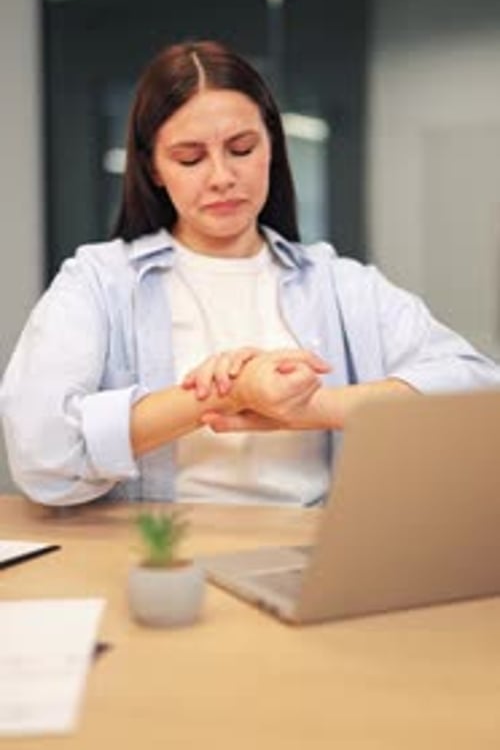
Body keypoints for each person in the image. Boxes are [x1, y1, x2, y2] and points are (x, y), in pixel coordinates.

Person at [1, 40, 499, 507]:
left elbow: (482, 392)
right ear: (154, 167)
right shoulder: (98, 281)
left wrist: (311, 408)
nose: (222, 177)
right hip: (158, 558)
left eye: (241, 149)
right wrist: (225, 393)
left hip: (313, 553)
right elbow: (41, 455)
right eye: (190, 157)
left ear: (271, 148)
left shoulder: (340, 283)